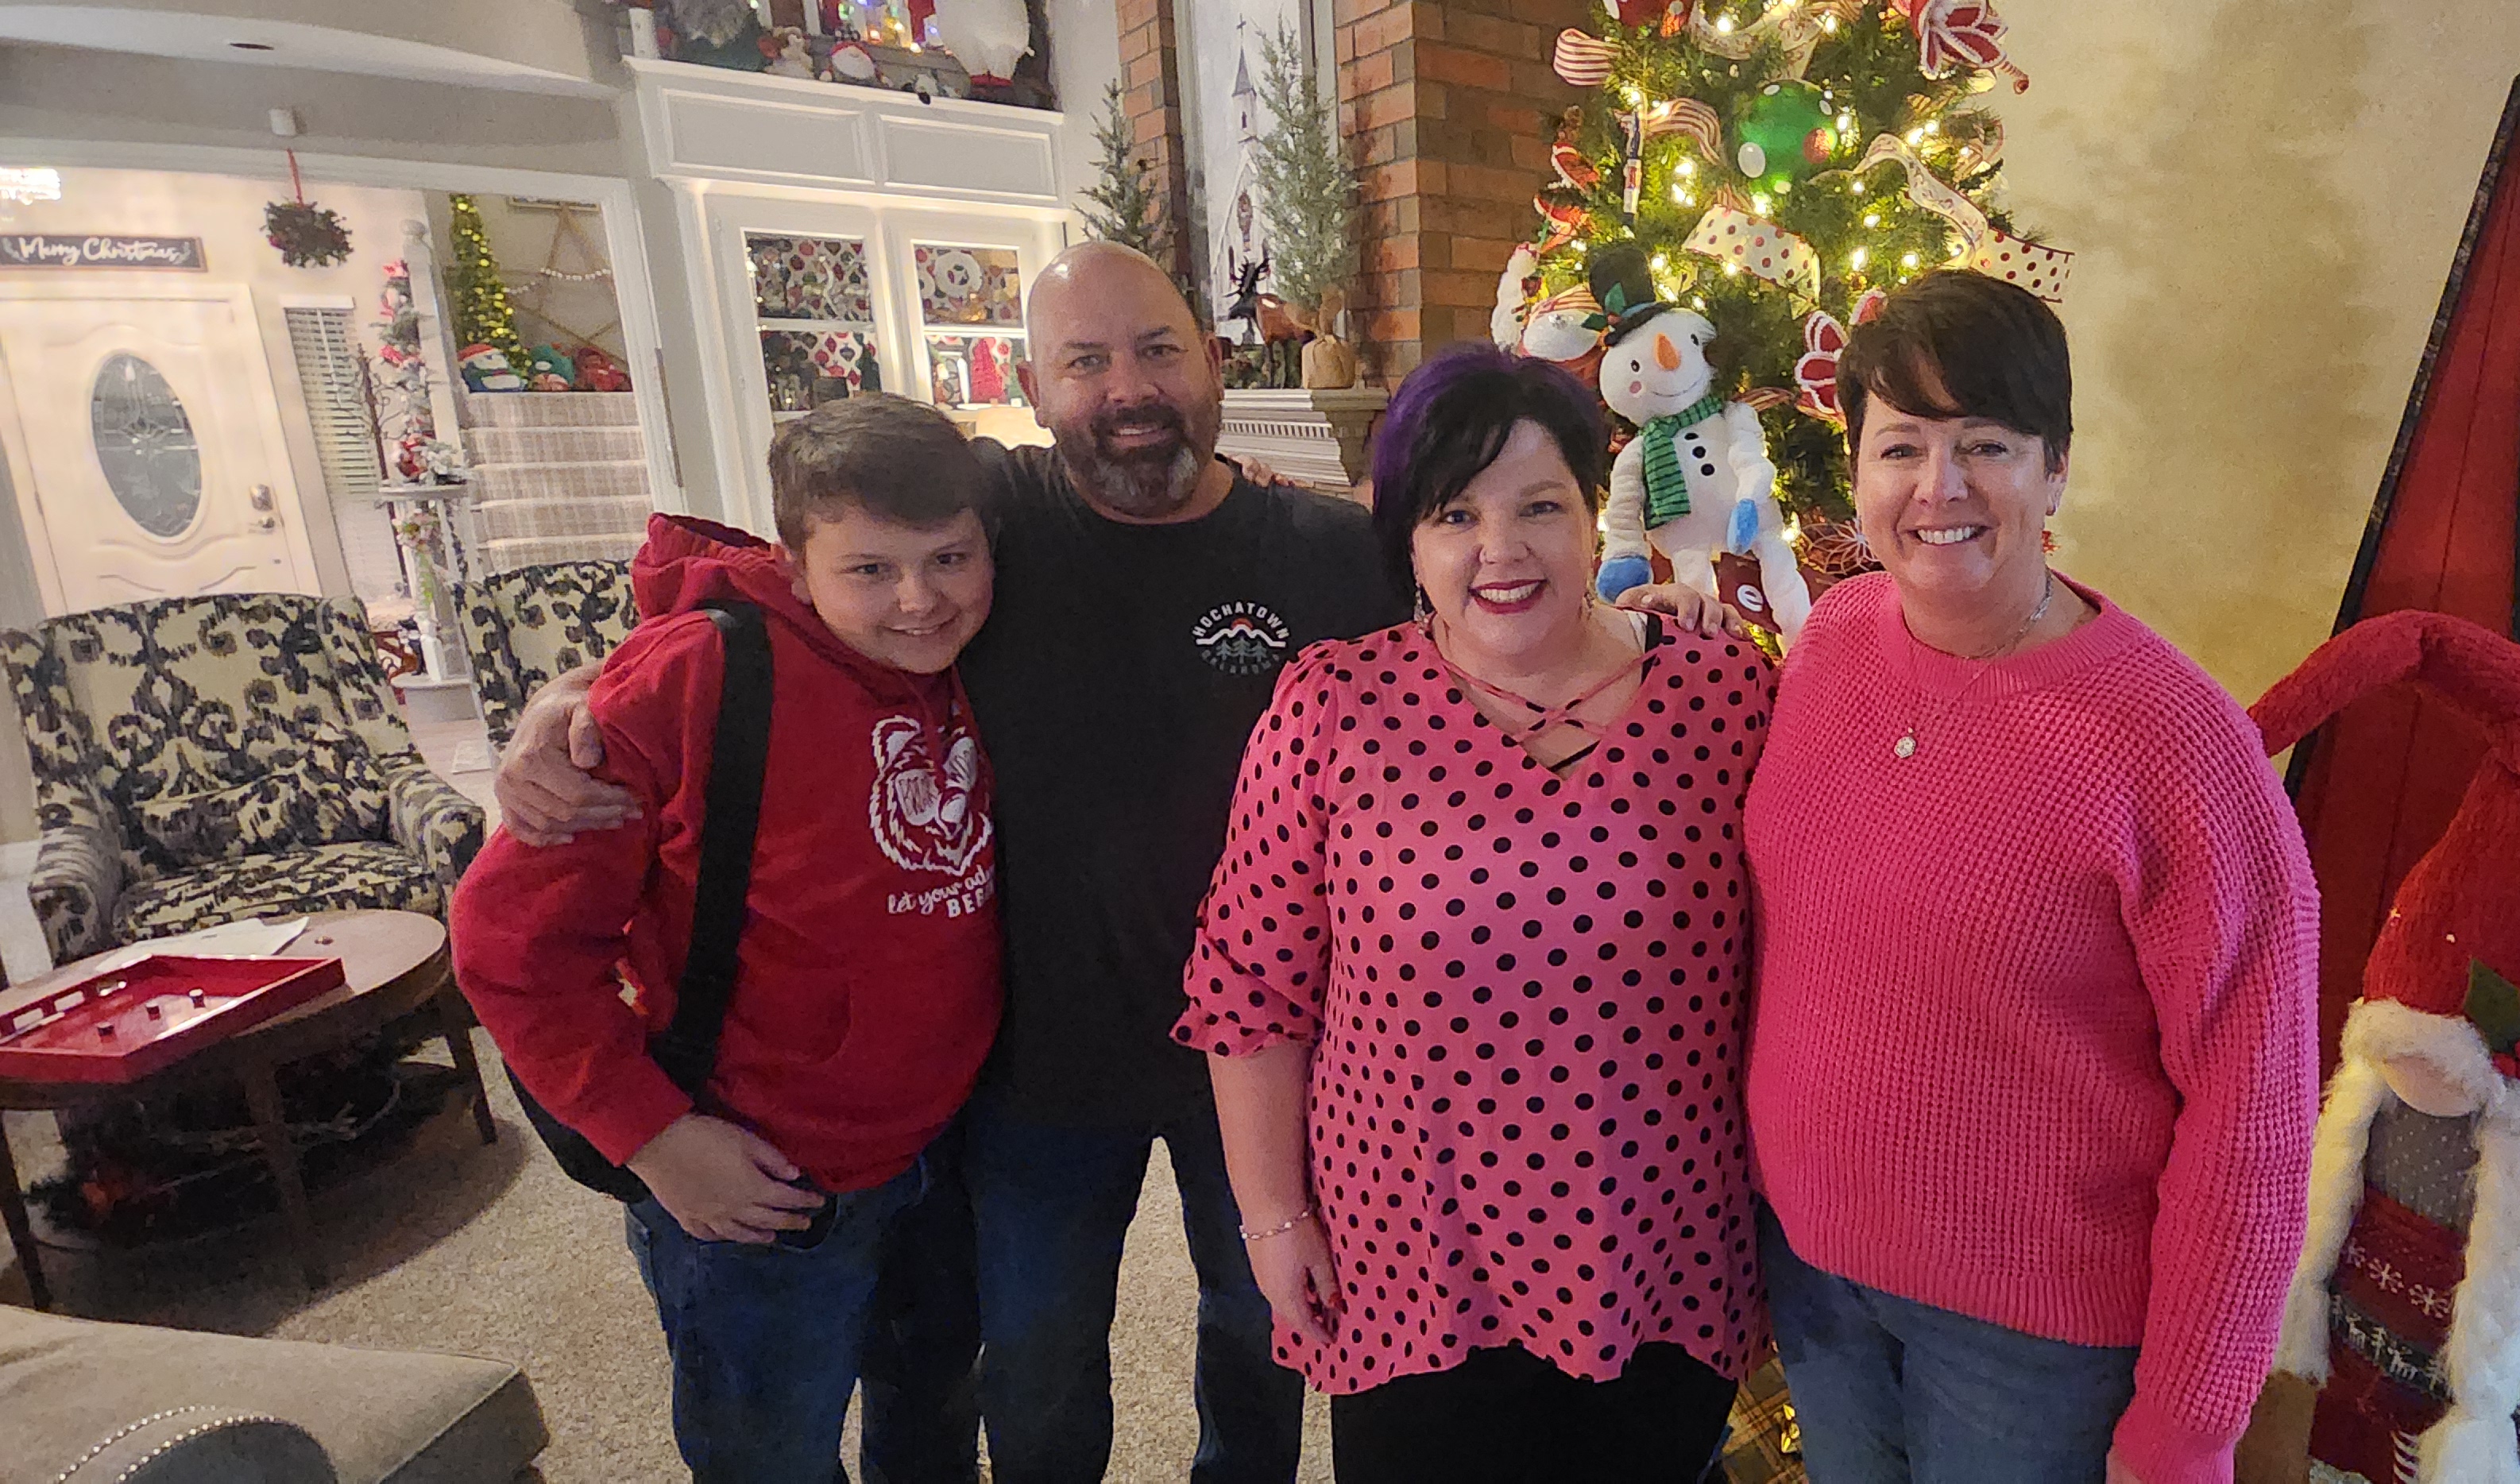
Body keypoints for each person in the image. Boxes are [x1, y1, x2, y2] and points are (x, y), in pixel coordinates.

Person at [496, 242, 1401, 1483]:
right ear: (1031, 391)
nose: (1127, 389)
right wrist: (582, 693)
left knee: (1264, 1330)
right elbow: (795, 569)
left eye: (1157, 350)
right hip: (1030, 1061)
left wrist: (1632, 623)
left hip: (1270, 1053)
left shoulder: (1333, 551)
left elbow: (1474, 639)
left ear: (1212, 360)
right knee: (1033, 1366)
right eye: (1084, 362)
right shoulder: (992, 517)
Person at [1738, 272, 2321, 1484]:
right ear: (1858, 471)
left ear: (2055, 470)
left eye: (1986, 445)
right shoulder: (1831, 642)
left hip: (2030, 1344)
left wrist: (2189, 1423)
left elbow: (2253, 1115)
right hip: (1816, 1279)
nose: (1938, 487)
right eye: (1901, 446)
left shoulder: (2176, 741)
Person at [1174, 343, 1767, 1484]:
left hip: (1660, 1246)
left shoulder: (1725, 696)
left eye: (1539, 506)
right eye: (1455, 514)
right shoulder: (1331, 706)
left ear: (1593, 514)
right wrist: (1273, 1218)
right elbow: (1250, 988)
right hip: (1408, 1253)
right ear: (1408, 540)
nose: (1500, 549)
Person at [452, 393, 1003, 1483]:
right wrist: (652, 1137)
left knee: (935, 1421)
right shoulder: (693, 679)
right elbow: (507, 942)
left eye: (950, 558)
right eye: (869, 569)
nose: (919, 600)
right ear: (793, 566)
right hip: (757, 1177)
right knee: (769, 1454)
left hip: (949, 1148)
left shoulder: (984, 645)